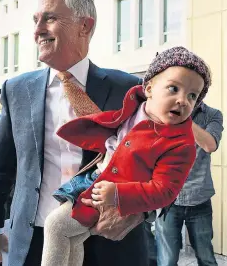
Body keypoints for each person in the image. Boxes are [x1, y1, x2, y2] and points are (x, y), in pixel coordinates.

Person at [0, 0, 150, 266]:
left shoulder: (130, 88)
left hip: (109, 240)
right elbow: (1, 167)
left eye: (49, 18)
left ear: (84, 26)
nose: (37, 30)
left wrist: (140, 212)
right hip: (33, 241)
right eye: (35, 20)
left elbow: (161, 162)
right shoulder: (16, 90)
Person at [41, 46, 212, 266]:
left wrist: (119, 195)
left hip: (109, 193)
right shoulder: (135, 103)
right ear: (149, 88)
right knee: (72, 239)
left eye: (192, 96)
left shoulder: (181, 143)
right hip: (91, 180)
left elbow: (166, 190)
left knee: (56, 226)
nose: (183, 100)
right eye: (173, 88)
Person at [154, 101, 223, 266]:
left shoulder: (212, 114)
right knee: (167, 260)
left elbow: (209, 145)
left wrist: (184, 117)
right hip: (167, 201)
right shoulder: (161, 112)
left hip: (199, 198)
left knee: (206, 257)